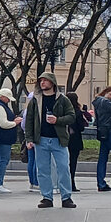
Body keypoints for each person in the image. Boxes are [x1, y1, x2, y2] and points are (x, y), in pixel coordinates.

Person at [23, 72, 76, 209]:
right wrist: (29, 139)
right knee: (43, 170)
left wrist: (58, 120)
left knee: (63, 168)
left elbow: (71, 116)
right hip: (41, 140)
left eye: (45, 80)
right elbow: (29, 120)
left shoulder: (62, 99)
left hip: (59, 140)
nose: (42, 83)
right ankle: (47, 197)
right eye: (41, 81)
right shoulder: (35, 100)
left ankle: (66, 197)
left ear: (52, 82)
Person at [0, 87, 22, 194]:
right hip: (4, 137)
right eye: (8, 98)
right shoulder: (0, 106)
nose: (8, 101)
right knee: (3, 160)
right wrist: (15, 123)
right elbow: (3, 123)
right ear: (3, 97)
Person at [66, 92, 86, 193]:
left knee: (64, 163)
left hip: (64, 140)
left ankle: (63, 183)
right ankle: (72, 183)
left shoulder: (64, 111)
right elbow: (81, 127)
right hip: (75, 140)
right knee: (73, 163)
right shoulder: (77, 112)